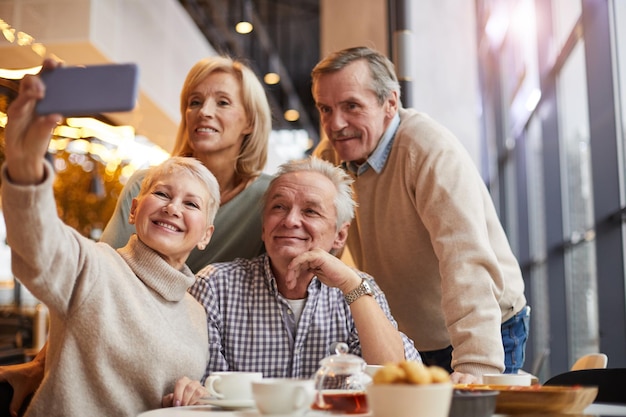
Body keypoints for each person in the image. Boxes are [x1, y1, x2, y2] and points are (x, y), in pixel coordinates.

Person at [0, 54, 273, 416]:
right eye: (161, 194)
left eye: (191, 204)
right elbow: (57, 261)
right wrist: (25, 167)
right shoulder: (101, 268)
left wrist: (198, 392)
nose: (173, 208)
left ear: (208, 232)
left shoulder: (199, 317)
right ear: (134, 209)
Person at [311, 46, 529, 384]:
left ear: (391, 103)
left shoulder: (427, 149)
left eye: (351, 106)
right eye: (326, 109)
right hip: (411, 338)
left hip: (484, 328)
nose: (335, 124)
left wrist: (475, 366)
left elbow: (465, 258)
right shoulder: (329, 156)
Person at [186, 157, 420, 383]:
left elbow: (394, 378)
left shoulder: (359, 288)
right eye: (279, 207)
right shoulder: (215, 286)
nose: (290, 221)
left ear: (340, 235)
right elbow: (205, 390)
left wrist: (352, 286)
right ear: (264, 226)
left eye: (310, 211)